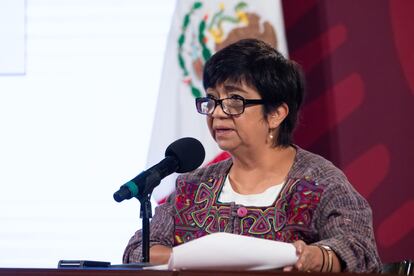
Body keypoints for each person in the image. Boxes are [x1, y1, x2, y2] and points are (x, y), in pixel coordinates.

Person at [123, 38, 382, 272]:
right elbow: (138, 251)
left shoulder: (319, 182)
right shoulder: (193, 187)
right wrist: (190, 260)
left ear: (276, 114)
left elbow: (359, 250)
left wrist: (317, 257)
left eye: (235, 100)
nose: (217, 113)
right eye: (212, 99)